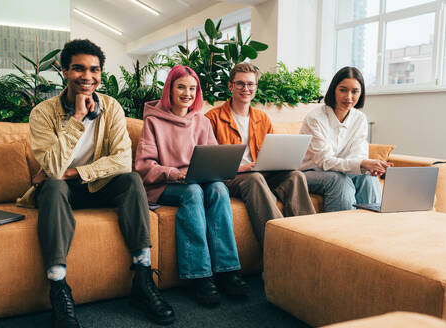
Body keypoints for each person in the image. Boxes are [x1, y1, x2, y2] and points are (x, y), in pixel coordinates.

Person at [19, 39, 175, 327]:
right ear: (64, 70)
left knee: (130, 180)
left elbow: (122, 161)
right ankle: (59, 288)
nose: (87, 77)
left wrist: (72, 173)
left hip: (96, 186)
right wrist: (77, 118)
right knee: (52, 186)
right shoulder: (42, 113)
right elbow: (52, 169)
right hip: (60, 193)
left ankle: (142, 279)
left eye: (94, 70)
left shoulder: (112, 108)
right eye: (78, 69)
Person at [135, 65, 249, 307]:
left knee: (219, 188)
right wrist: (176, 174)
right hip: (165, 185)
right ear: (170, 89)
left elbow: (213, 156)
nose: (187, 93)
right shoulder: (153, 121)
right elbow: (144, 167)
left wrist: (213, 171)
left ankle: (227, 270)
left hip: (198, 180)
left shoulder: (201, 121)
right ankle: (200, 275)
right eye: (181, 87)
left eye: (192, 88)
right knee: (193, 191)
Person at [205, 63, 316, 246]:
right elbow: (211, 164)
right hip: (232, 177)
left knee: (295, 176)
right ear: (230, 85)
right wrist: (243, 167)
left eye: (250, 84)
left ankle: (310, 239)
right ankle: (278, 244)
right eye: (240, 84)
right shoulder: (212, 118)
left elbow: (271, 152)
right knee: (254, 178)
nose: (245, 89)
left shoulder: (262, 118)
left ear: (256, 87)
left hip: (260, 173)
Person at [300, 66, 391, 212]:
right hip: (309, 173)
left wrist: (366, 167)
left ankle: (372, 229)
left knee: (368, 178)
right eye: (343, 90)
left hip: (339, 171)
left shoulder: (359, 118)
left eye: (355, 91)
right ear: (334, 89)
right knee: (339, 181)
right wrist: (362, 163)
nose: (349, 97)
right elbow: (325, 161)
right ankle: (341, 231)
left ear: (361, 93)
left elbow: (358, 156)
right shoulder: (315, 118)